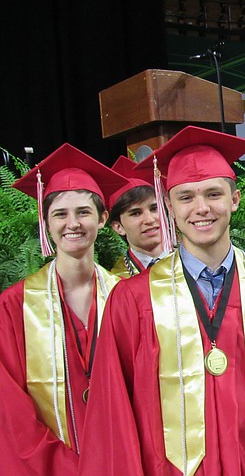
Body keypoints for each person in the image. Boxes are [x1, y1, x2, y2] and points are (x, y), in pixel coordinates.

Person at [80, 126, 245, 475]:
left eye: (213, 194)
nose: (201, 208)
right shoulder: (133, 299)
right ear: (169, 205)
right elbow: (113, 412)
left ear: (235, 200)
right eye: (186, 197)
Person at [0, 143, 127, 474]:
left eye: (83, 212)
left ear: (102, 219)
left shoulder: (127, 299)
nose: (73, 223)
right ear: (47, 222)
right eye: (60, 214)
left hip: (121, 461)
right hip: (47, 467)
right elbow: (11, 409)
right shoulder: (15, 306)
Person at [107, 155, 165, 277]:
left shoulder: (192, 264)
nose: (149, 219)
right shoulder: (115, 281)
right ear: (118, 227)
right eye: (136, 213)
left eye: (154, 208)